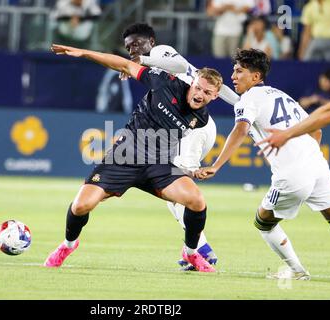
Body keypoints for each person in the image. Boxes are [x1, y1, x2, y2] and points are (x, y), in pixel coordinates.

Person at [45, 43, 224, 272]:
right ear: (193, 82)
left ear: (215, 96)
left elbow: (172, 143)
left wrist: (190, 172)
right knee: (81, 206)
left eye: (207, 93)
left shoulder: (200, 118)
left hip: (158, 166)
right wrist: (86, 53)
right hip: (125, 156)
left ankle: (191, 253)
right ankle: (67, 245)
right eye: (198, 87)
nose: (199, 95)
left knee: (197, 201)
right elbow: (124, 65)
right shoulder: (164, 83)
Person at [195, 49, 330, 280]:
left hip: (293, 173)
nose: (233, 76)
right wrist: (304, 154)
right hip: (317, 165)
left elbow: (240, 129)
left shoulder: (249, 99)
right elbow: (317, 130)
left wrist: (216, 165)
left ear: (255, 77)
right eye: (234, 70)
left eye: (239, 71)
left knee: (263, 222)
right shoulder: (282, 96)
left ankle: (297, 271)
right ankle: (297, 271)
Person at [121, 22, 240, 267]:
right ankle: (196, 247)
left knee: (174, 187)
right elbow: (215, 85)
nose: (133, 49)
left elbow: (179, 66)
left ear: (151, 42)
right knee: (171, 189)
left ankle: (199, 250)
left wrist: (143, 60)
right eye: (129, 46)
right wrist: (241, 105)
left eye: (138, 44)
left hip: (195, 127)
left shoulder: (160, 52)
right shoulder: (153, 63)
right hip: (191, 127)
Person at [255, 70, 330, 155]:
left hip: (318, 127)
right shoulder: (313, 91)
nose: (325, 82)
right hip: (307, 126)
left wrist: (286, 134)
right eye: (325, 79)